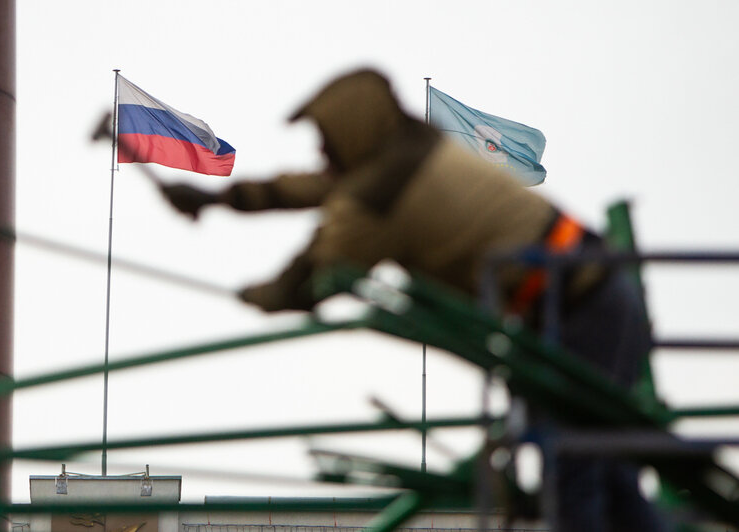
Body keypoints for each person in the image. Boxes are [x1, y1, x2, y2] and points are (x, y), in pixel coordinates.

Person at [159, 68, 667, 532]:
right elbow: (316, 188)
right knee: (599, 466)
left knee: (573, 473)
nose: (322, 151)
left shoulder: (383, 194)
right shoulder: (408, 149)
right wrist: (219, 200)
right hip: (588, 291)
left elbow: (315, 265)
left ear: (353, 132)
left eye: (327, 139)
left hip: (578, 309)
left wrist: (262, 295)